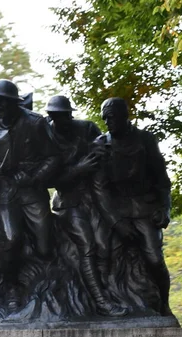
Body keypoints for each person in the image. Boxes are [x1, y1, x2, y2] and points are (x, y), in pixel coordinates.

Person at [0, 79, 60, 309]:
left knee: (44, 246)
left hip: (31, 189)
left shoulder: (35, 123)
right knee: (11, 238)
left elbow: (53, 157)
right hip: (5, 190)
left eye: (2, 102)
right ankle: (11, 286)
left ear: (14, 103)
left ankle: (43, 285)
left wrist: (34, 177)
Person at [45, 95, 127, 316]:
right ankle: (101, 302)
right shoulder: (46, 137)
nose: (61, 121)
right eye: (56, 117)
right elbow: (48, 180)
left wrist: (101, 152)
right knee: (88, 247)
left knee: (104, 246)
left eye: (65, 116)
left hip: (94, 199)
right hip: (68, 203)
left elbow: (105, 149)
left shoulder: (86, 128)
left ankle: (107, 295)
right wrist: (77, 169)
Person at [93, 97, 173, 316]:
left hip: (143, 209)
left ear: (124, 116)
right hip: (114, 212)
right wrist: (116, 222)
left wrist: (165, 208)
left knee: (155, 260)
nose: (107, 122)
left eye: (111, 117)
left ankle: (163, 305)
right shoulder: (101, 144)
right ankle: (109, 306)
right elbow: (100, 189)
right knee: (102, 254)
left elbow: (162, 180)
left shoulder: (145, 140)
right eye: (105, 118)